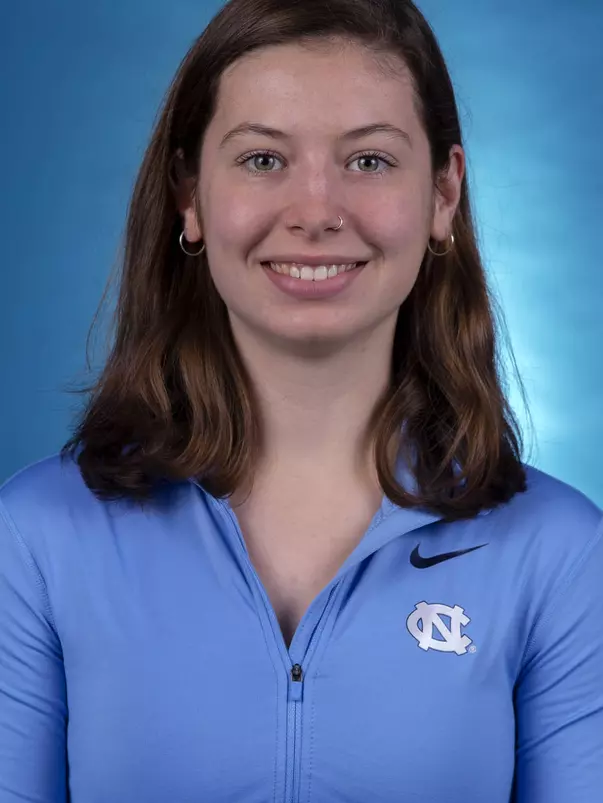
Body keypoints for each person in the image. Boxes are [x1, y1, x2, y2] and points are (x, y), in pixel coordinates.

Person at [1, 0, 602, 800]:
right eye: (261, 160)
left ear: (443, 194)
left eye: (368, 162)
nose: (315, 211)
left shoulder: (558, 553)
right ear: (189, 195)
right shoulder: (38, 538)